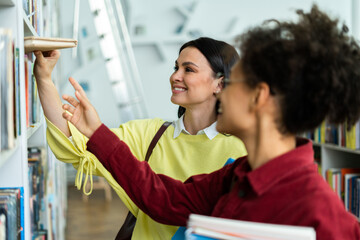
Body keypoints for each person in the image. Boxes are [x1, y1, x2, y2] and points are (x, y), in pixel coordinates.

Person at [60, 5, 360, 239]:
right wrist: (96, 132)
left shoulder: (322, 214)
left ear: (259, 97)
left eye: (233, 82)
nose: (224, 91)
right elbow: (162, 198)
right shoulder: (236, 176)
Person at [33, 37, 247, 239]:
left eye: (188, 69)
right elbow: (75, 143)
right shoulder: (150, 135)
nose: (175, 76)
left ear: (219, 84)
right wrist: (43, 77)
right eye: (176, 68)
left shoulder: (242, 149)